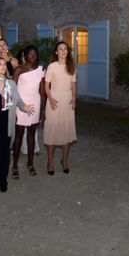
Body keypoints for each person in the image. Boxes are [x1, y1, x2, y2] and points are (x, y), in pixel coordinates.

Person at [0, 58, 35, 191]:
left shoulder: (11, 83)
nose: (3, 66)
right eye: (0, 64)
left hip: (6, 120)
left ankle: (2, 180)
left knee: (4, 151)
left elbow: (17, 99)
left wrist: (24, 107)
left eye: (5, 65)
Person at [11, 45, 45, 179]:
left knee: (31, 134)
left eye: (35, 53)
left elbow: (42, 91)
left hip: (35, 104)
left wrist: (43, 109)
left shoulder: (41, 69)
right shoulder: (19, 70)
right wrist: (14, 107)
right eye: (30, 53)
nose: (32, 56)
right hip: (20, 105)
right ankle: (14, 165)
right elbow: (12, 90)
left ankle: (30, 163)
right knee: (18, 135)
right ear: (25, 55)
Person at [44, 41, 77, 175]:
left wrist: (74, 98)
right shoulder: (51, 66)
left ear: (67, 52)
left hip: (68, 100)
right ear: (56, 52)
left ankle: (64, 160)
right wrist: (50, 99)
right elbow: (46, 86)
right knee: (52, 131)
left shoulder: (72, 66)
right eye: (60, 49)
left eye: (65, 49)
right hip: (54, 100)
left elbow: (73, 84)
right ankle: (50, 161)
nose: (63, 51)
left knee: (66, 131)